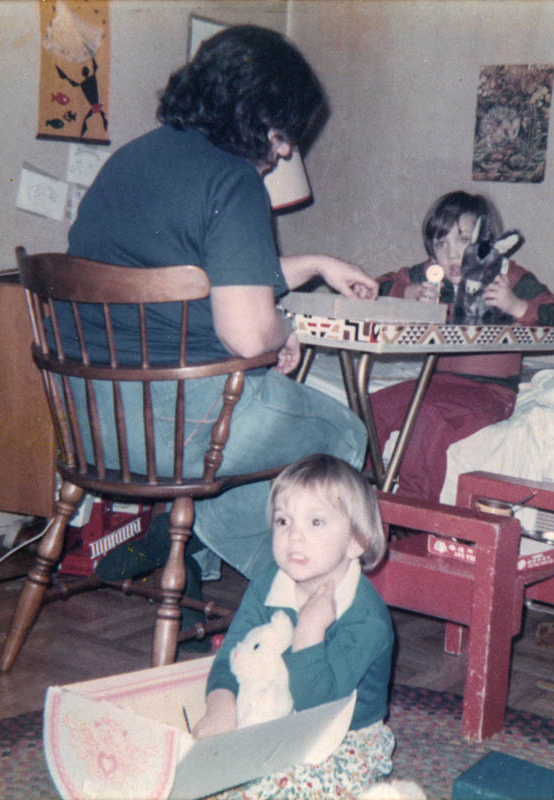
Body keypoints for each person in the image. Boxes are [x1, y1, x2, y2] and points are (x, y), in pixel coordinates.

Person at [65, 25, 378, 584]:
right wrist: (283, 331)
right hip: (180, 426)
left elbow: (193, 281)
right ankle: (292, 593)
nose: (284, 151)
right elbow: (247, 334)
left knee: (250, 450)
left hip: (93, 426)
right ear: (256, 115)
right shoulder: (232, 181)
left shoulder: (127, 163)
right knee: (345, 434)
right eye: (284, 134)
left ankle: (213, 560)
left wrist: (315, 265)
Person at [192, 454, 395, 798]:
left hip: (344, 734)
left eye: (316, 522)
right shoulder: (269, 581)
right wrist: (220, 706)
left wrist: (309, 634)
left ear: (355, 542)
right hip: (276, 714)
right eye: (284, 521)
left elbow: (319, 706)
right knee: (202, 771)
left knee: (275, 791)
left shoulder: (366, 619)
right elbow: (232, 656)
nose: (294, 537)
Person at [373, 190, 554, 502]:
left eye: (464, 240)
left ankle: (410, 512)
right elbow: (372, 289)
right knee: (372, 407)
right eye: (441, 244)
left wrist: (518, 307)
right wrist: (407, 292)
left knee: (428, 420)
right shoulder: (432, 274)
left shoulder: (508, 276)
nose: (452, 255)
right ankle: (356, 496)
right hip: (436, 382)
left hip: (491, 392)